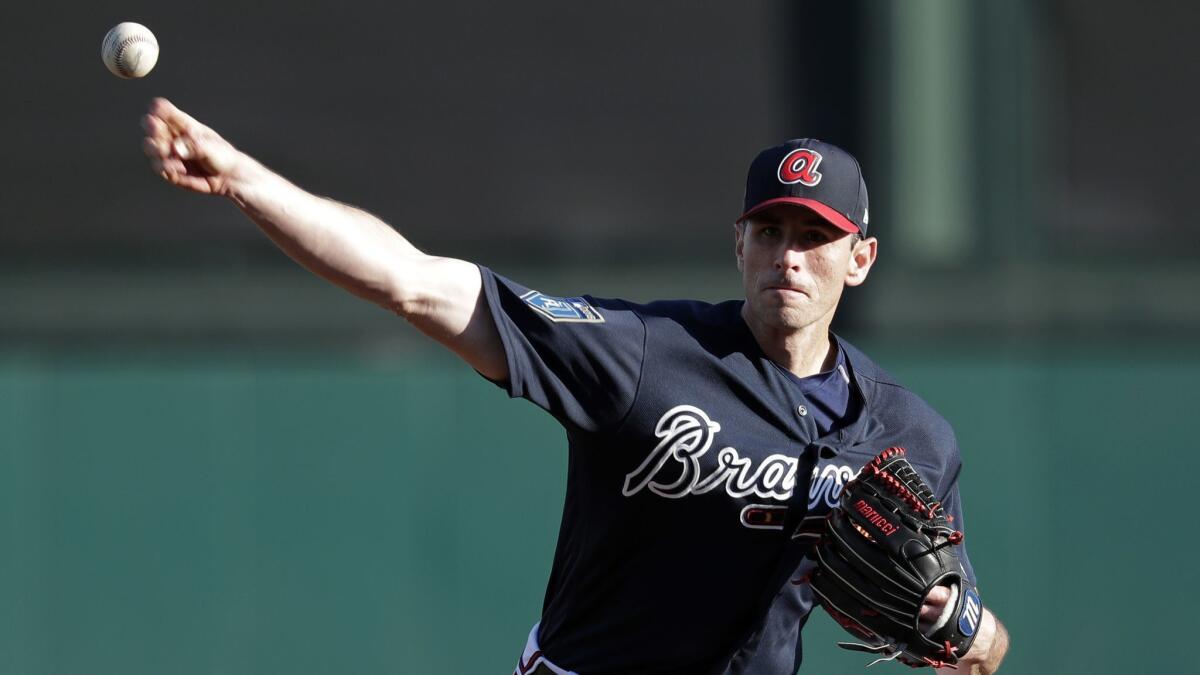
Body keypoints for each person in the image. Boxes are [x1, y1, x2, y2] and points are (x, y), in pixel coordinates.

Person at [141, 98, 1009, 674]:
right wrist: (244, 180)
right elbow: (415, 282)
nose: (789, 254)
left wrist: (957, 624)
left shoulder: (907, 436)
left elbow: (981, 650)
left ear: (859, 259)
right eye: (770, 229)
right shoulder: (647, 355)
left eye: (816, 237)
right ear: (738, 245)